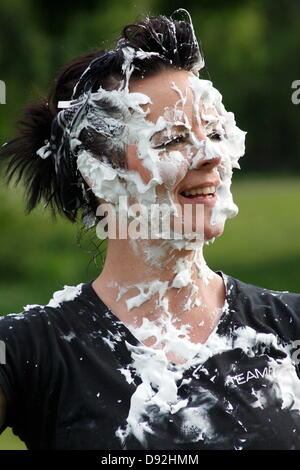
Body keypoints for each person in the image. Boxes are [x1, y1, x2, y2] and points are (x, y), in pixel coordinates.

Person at [0, 11, 300, 451]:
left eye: (215, 133)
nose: (210, 156)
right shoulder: (32, 350)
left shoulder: (289, 328)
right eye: (173, 139)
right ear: (100, 174)